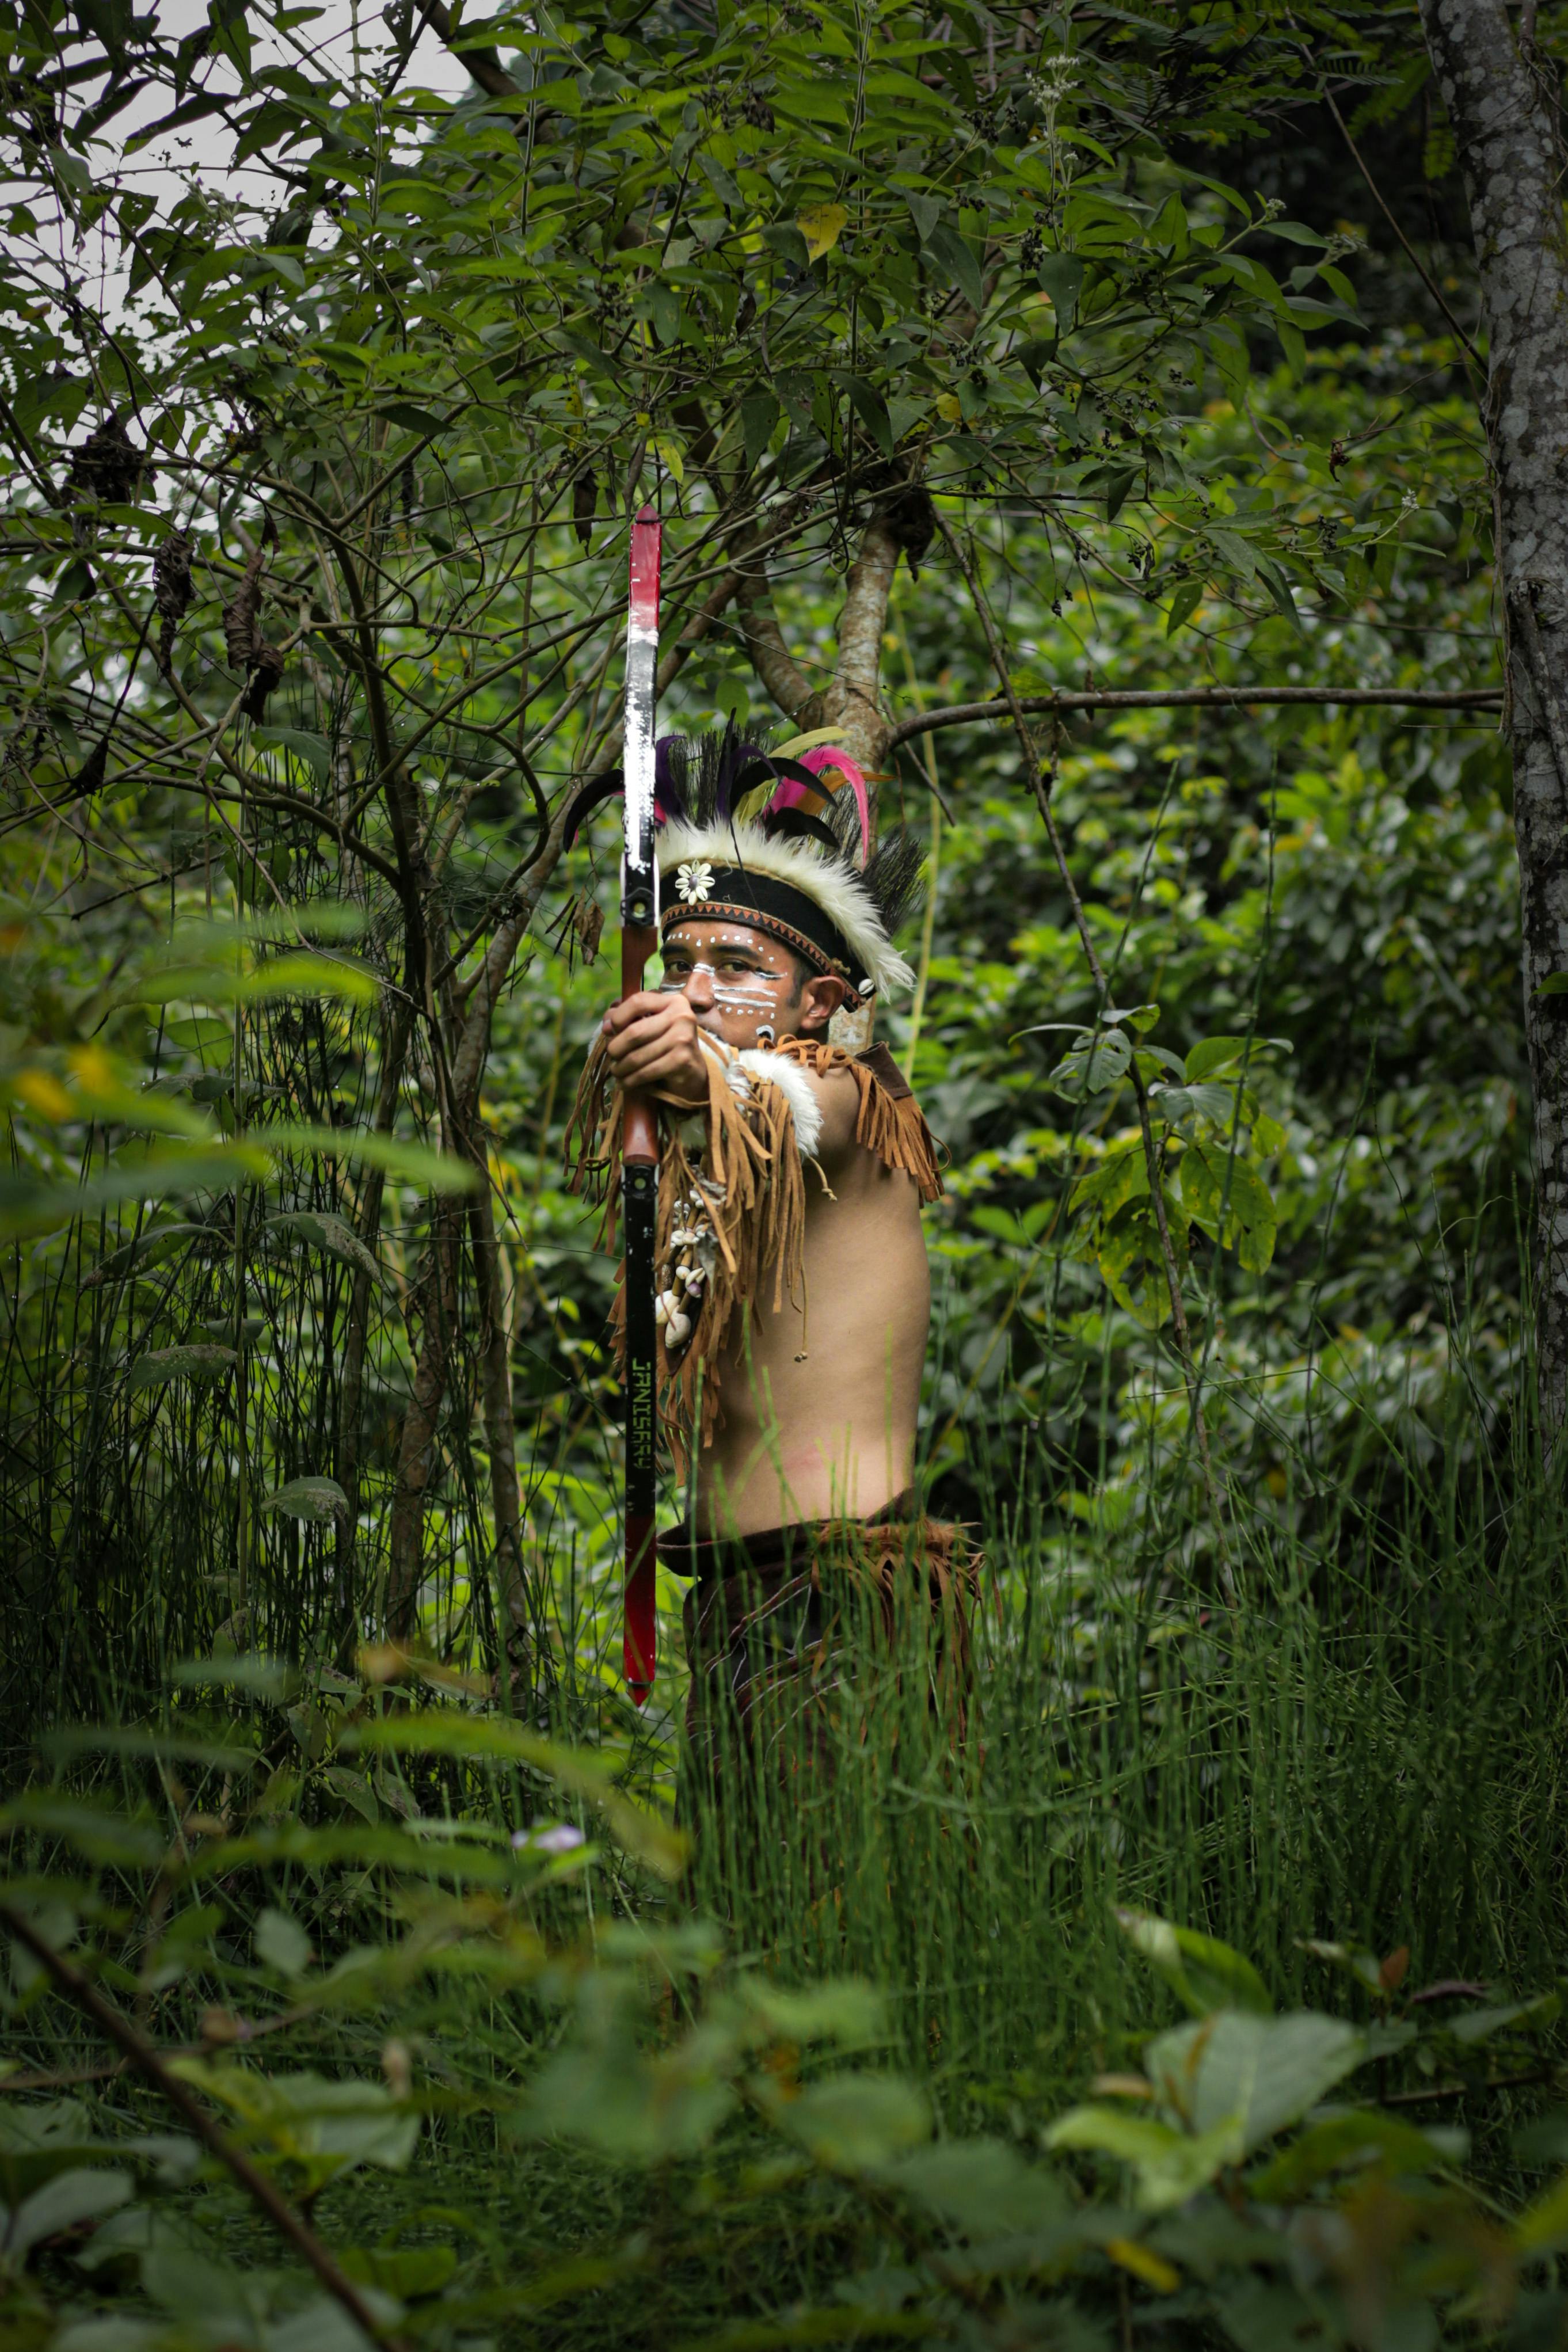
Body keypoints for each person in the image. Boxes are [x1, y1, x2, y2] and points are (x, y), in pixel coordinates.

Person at [564, 727, 977, 1813]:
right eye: (680, 964)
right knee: (747, 1944)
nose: (698, 991)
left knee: (838, 1929)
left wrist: (689, 1063)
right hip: (744, 1597)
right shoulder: (714, 1160)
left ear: (819, 998)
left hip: (844, 1592)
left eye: (738, 968)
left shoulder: (852, 1098)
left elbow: (780, 1106)